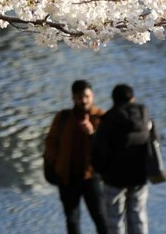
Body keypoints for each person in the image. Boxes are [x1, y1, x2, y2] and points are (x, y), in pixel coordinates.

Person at [45, 79, 108, 234]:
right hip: (68, 177)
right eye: (80, 97)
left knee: (101, 219)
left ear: (92, 96)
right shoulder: (62, 118)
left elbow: (109, 147)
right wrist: (56, 165)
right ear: (73, 98)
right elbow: (50, 142)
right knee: (72, 220)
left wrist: (92, 133)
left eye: (87, 96)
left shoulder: (102, 118)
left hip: (92, 177)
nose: (84, 100)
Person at [91, 84, 154, 234]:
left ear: (113, 100)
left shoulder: (108, 119)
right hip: (140, 176)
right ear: (133, 98)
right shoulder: (144, 115)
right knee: (138, 215)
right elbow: (154, 141)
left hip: (114, 178)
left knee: (115, 219)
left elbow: (99, 151)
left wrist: (100, 172)